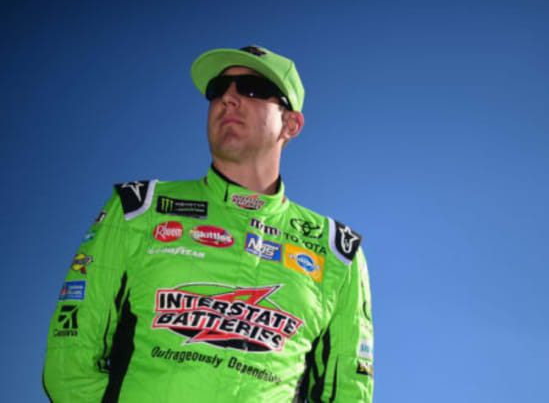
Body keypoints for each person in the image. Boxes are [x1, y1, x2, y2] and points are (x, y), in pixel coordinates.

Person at [43, 45, 374, 402]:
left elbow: (349, 392)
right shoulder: (139, 209)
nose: (228, 99)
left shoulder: (338, 251)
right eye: (219, 89)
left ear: (290, 124)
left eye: (251, 89)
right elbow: (69, 364)